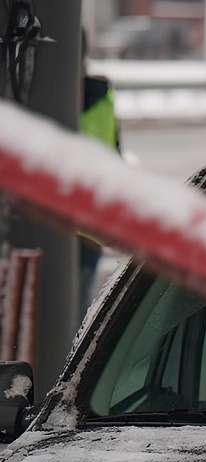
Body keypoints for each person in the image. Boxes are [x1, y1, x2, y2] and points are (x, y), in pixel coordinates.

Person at [78, 29, 120, 316]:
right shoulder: (103, 98)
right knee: (77, 310)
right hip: (89, 225)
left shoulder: (43, 99)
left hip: (48, 223)